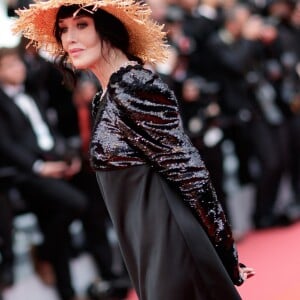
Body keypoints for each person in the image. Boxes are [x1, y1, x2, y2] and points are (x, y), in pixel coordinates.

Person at [14, 1, 255, 299]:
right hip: (147, 248)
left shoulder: (134, 84)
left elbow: (190, 172)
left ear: (109, 28)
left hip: (172, 248)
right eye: (63, 30)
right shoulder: (106, 95)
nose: (69, 38)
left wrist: (225, 252)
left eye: (81, 25)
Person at [0, 46, 87, 300]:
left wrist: (66, 158)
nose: (18, 69)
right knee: (76, 204)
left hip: (52, 162)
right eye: (9, 66)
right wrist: (39, 168)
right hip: (27, 174)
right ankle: (45, 252)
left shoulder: (33, 94)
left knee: (56, 226)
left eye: (18, 65)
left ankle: (67, 292)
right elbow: (6, 145)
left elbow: (49, 130)